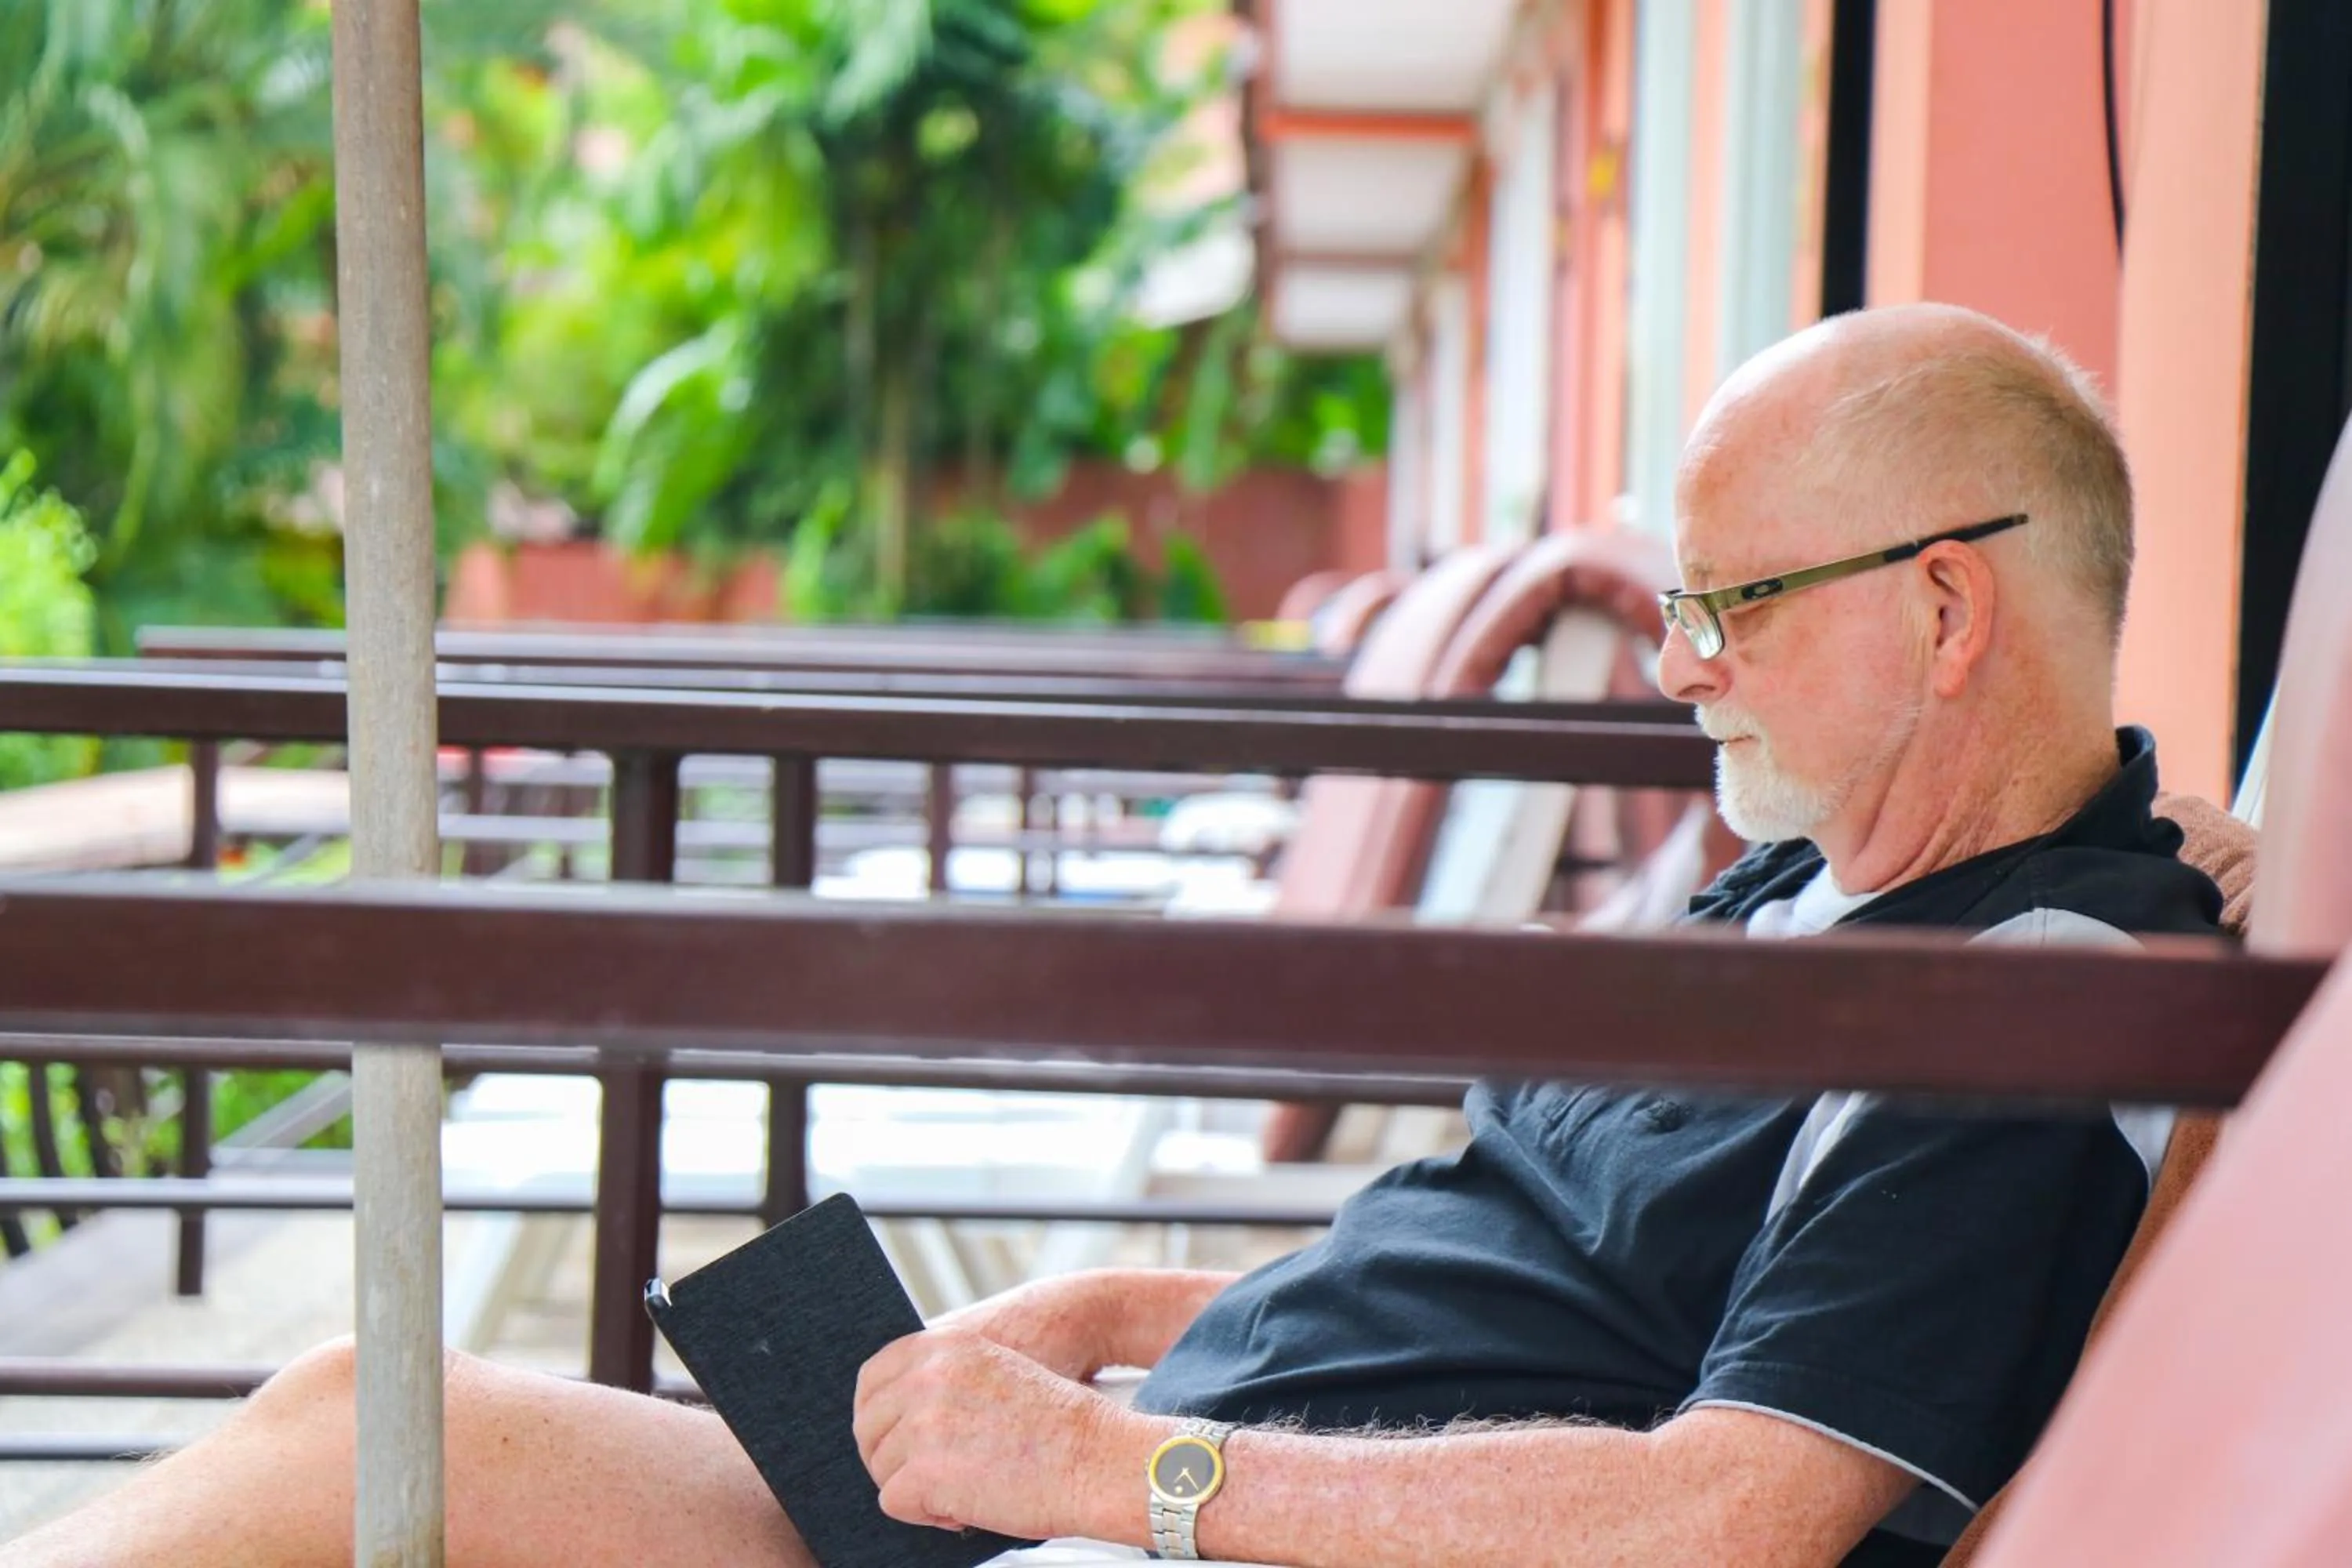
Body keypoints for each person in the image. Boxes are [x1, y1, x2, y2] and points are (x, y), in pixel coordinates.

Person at [2, 303, 2223, 1568]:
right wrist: (1122, 1313)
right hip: (1134, 1478)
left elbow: (1731, 1515)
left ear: (1946, 611)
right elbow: (1544, 1272)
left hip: (1168, 1530)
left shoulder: (2010, 1008)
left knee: (354, 1484)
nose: (1681, 666)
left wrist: (1113, 1466)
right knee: (352, 1405)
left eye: (1728, 608)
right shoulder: (1808, 886)